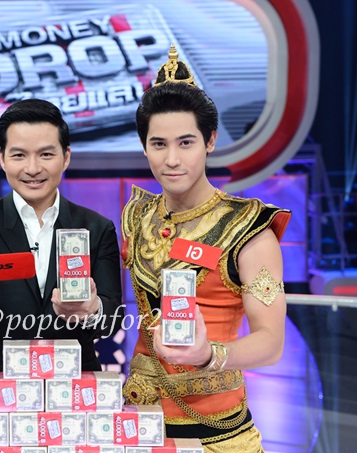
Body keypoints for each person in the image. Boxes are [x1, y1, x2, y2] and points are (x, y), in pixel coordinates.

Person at [120, 45, 291, 451]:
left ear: (210, 141)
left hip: (218, 431)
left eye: (186, 143)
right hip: (139, 424)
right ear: (144, 146)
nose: (172, 159)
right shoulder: (136, 216)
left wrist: (209, 355)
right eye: (158, 144)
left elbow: (271, 343)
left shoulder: (249, 228)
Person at [0, 98, 123, 374]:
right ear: (2, 158)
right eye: (19, 155)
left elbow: (112, 321)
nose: (33, 168)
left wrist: (92, 309)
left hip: (75, 381)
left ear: (66, 157)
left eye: (46, 155)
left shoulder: (97, 228)